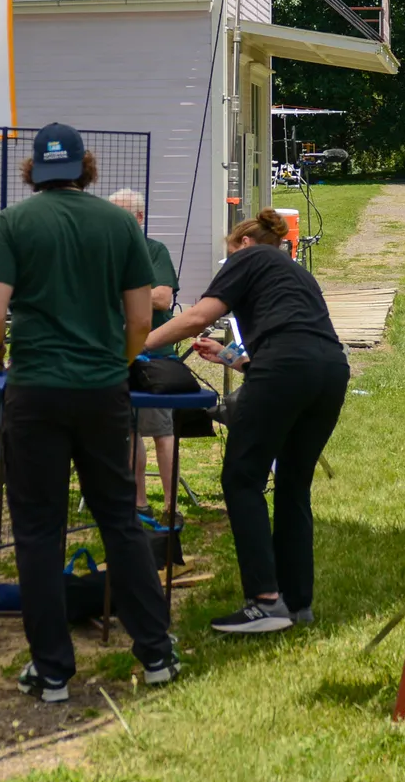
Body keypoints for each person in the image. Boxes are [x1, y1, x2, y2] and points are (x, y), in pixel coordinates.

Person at [0, 125, 179, 702]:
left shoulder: (12, 223)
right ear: (85, 168)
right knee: (120, 520)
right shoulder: (120, 224)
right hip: (102, 392)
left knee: (39, 531)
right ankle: (156, 653)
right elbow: (140, 320)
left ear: (33, 172)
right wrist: (117, 363)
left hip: (36, 392)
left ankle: (52, 672)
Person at [141, 208, 349, 635]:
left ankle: (265, 602)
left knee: (241, 478)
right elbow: (295, 342)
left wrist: (137, 345)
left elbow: (197, 318)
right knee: (293, 485)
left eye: (230, 254)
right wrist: (230, 357)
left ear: (246, 244)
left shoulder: (249, 258)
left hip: (286, 369)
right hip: (329, 371)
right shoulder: (296, 273)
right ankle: (297, 602)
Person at [107, 188, 183, 523]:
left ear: (139, 218)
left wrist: (119, 290)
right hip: (113, 358)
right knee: (128, 431)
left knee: (161, 431)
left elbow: (162, 298)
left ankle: (170, 506)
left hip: (154, 358)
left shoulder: (154, 251)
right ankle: (137, 503)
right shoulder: (102, 254)